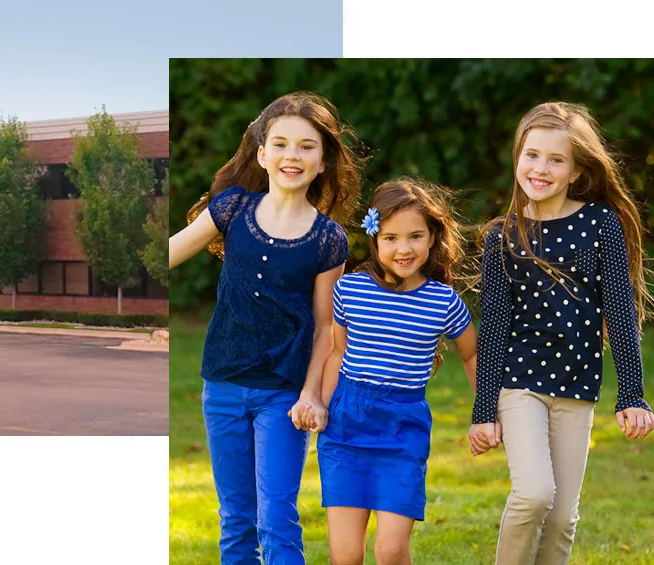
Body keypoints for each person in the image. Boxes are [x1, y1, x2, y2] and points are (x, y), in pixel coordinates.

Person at [168, 91, 361, 564]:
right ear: (261, 153)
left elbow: (324, 328)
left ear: (322, 162)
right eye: (280, 144)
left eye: (306, 146)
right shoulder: (231, 209)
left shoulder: (328, 238)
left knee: (275, 515)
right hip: (224, 386)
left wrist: (312, 393)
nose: (291, 155)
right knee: (236, 518)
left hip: (284, 394)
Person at [469, 101, 654, 565]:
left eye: (556, 159)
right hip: (520, 384)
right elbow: (492, 328)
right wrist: (483, 410)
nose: (541, 167)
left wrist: (632, 394)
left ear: (575, 171)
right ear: (517, 158)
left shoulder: (600, 224)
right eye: (532, 155)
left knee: (561, 519)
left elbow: (619, 308)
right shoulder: (503, 236)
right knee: (533, 494)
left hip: (577, 386)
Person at [317, 178, 478, 565]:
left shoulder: (444, 301)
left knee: (390, 552)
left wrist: (488, 412)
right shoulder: (349, 290)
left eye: (415, 236)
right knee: (346, 555)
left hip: (402, 430)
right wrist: (321, 405)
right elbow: (337, 352)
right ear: (374, 238)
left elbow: (474, 357)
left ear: (432, 237)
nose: (403, 249)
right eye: (391, 238)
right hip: (346, 427)